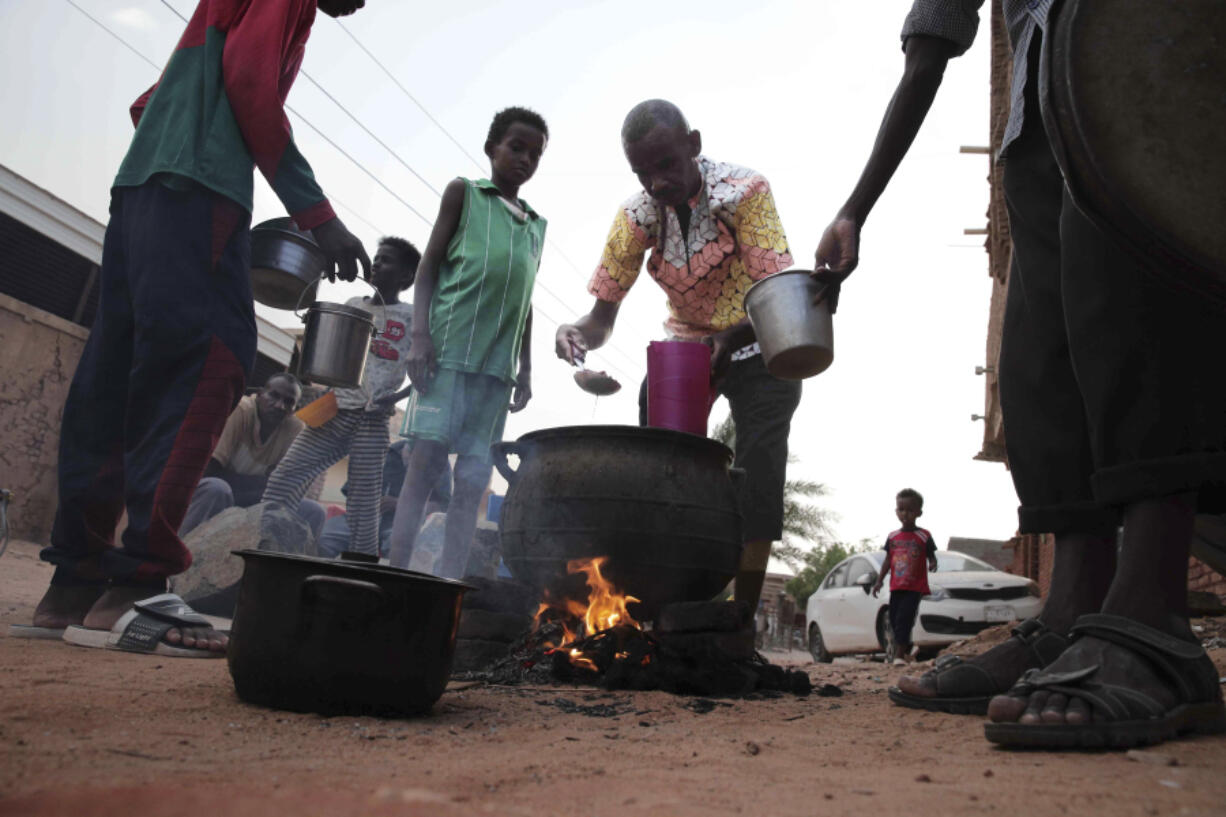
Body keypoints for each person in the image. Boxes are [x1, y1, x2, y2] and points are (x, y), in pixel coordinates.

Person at [813, 2, 1226, 747]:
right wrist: (857, 207)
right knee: (1042, 349)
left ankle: (1154, 610)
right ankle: (1073, 608)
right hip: (1039, 104)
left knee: (1132, 291)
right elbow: (934, 37)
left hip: (1144, 45)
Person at [29, 0, 371, 657]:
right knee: (208, 364)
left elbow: (154, 99)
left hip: (141, 188)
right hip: (200, 190)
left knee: (114, 378)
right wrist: (317, 215)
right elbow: (247, 82)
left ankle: (73, 584)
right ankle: (137, 587)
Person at [555, 99, 800, 613]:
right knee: (662, 468)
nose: (657, 182)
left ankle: (741, 614)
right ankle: (662, 600)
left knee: (759, 472)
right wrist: (574, 332)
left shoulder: (745, 191)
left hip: (758, 338)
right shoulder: (636, 215)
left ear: (694, 145)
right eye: (642, 171)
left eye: (666, 164)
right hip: (687, 347)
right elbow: (600, 320)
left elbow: (777, 293)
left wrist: (728, 342)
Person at [385, 107, 548, 579]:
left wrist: (528, 367)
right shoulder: (465, 194)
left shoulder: (536, 225)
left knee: (474, 478)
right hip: (448, 353)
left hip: (497, 371)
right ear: (491, 148)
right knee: (426, 464)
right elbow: (429, 267)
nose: (525, 159)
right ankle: (395, 574)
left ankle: (449, 584)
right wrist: (419, 337)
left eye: (535, 154)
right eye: (516, 147)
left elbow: (526, 298)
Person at [262, 237, 419, 558]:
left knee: (364, 502)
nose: (376, 265)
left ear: (405, 277)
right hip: (334, 407)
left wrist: (398, 396)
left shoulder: (412, 317)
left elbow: (426, 370)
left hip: (373, 418)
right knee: (285, 477)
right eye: (376, 259)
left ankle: (361, 562)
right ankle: (267, 540)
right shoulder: (353, 305)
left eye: (386, 261)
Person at [179, 372, 325, 538]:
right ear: (260, 394)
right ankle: (180, 554)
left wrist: (266, 487)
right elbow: (208, 471)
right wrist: (265, 485)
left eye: (288, 402)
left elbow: (288, 489)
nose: (279, 406)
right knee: (217, 488)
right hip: (212, 494)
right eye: (274, 396)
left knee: (313, 511)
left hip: (255, 502)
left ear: (294, 409)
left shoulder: (294, 428)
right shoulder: (240, 410)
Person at [316, 439, 451, 559]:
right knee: (326, 540)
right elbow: (351, 491)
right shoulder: (384, 451)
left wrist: (400, 504)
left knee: (400, 550)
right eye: (408, 457)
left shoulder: (440, 462)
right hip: (360, 518)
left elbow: (441, 507)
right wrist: (368, 501)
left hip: (403, 525)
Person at [871, 488, 938, 664]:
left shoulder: (924, 536)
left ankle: (899, 655)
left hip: (914, 587)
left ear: (919, 513)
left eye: (909, 510)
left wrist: (932, 562)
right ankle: (904, 650)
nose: (905, 514)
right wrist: (879, 581)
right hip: (896, 586)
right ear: (896, 511)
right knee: (894, 619)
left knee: (904, 618)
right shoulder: (892, 537)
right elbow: (887, 560)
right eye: (901, 510)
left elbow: (931, 554)